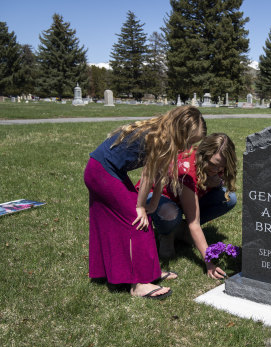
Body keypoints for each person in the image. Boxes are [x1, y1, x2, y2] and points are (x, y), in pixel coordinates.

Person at [84, 106, 207, 299]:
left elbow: (160, 174)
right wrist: (140, 206)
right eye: (190, 140)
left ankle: (149, 273)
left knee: (144, 218)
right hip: (101, 172)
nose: (189, 147)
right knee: (136, 220)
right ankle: (138, 285)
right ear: (179, 131)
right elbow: (148, 174)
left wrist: (153, 203)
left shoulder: (165, 136)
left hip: (110, 171)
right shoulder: (159, 137)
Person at [145, 133, 237, 280]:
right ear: (203, 154)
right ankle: (167, 233)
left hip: (188, 197)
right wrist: (209, 263)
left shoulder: (219, 166)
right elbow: (194, 223)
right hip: (159, 197)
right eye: (213, 164)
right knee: (169, 214)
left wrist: (216, 181)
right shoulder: (186, 169)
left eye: (222, 166)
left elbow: (216, 181)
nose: (217, 169)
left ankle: (181, 230)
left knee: (229, 198)